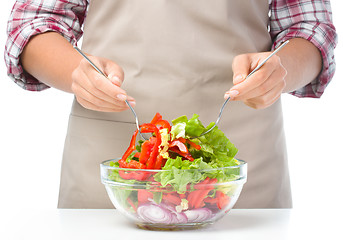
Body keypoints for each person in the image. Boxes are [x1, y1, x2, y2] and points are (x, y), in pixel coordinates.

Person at [4, 0, 337, 209]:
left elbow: (309, 28)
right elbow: (32, 24)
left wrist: (281, 71)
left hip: (240, 168)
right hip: (112, 173)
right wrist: (76, 73)